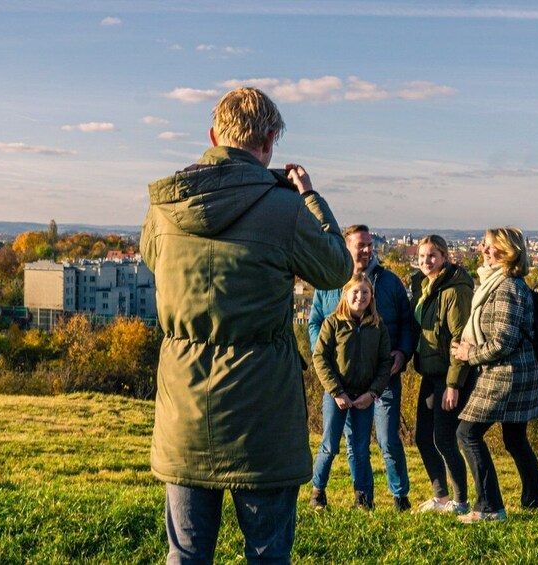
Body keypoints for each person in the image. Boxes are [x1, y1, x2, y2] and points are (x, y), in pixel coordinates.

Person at [140, 87, 352, 564]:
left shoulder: (165, 207)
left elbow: (153, 258)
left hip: (185, 407)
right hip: (262, 413)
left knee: (187, 554)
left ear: (213, 134)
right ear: (270, 141)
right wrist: (310, 197)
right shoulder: (285, 209)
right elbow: (336, 268)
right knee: (266, 554)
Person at [308, 225, 414, 511]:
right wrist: (327, 357)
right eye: (361, 245)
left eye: (370, 244)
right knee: (349, 443)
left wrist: (403, 353)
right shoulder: (329, 282)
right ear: (346, 248)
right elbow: (315, 322)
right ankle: (359, 498)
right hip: (340, 383)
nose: (367, 250)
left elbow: (407, 322)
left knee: (388, 440)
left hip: (383, 377)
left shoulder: (389, 282)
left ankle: (399, 496)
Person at [451, 227, 538, 523]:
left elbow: (503, 341)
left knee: (467, 434)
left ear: (508, 252)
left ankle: (489, 506)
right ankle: (536, 503)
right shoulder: (499, 283)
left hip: (507, 375)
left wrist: (470, 354)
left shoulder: (507, 286)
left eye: (491, 246)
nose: (483, 249)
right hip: (519, 373)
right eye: (484, 244)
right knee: (515, 439)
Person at [311, 274, 394, 510]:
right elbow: (320, 358)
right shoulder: (333, 323)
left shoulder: (378, 326)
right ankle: (318, 492)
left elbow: (384, 363)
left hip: (365, 397)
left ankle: (364, 498)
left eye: (365, 292)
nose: (360, 297)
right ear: (346, 295)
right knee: (329, 445)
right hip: (336, 394)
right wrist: (337, 391)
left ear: (371, 297)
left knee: (360, 449)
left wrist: (372, 393)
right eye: (355, 292)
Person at [409, 235, 475, 514]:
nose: (426, 261)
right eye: (422, 256)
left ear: (445, 257)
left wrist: (453, 384)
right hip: (429, 372)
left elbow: (461, 340)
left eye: (432, 256)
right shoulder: (426, 287)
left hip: (449, 377)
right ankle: (441, 496)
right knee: (424, 437)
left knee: (444, 438)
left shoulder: (455, 290)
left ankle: (460, 501)